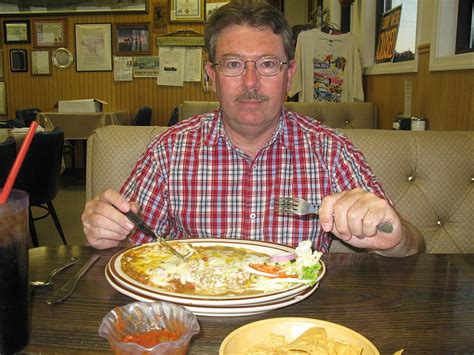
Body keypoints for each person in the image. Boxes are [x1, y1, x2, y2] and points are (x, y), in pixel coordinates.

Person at [82, 0, 424, 257]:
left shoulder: (331, 150)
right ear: (211, 76)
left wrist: (394, 239)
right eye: (233, 64)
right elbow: (130, 248)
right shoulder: (169, 150)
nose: (250, 82)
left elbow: (412, 246)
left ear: (289, 76)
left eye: (267, 64)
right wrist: (106, 230)